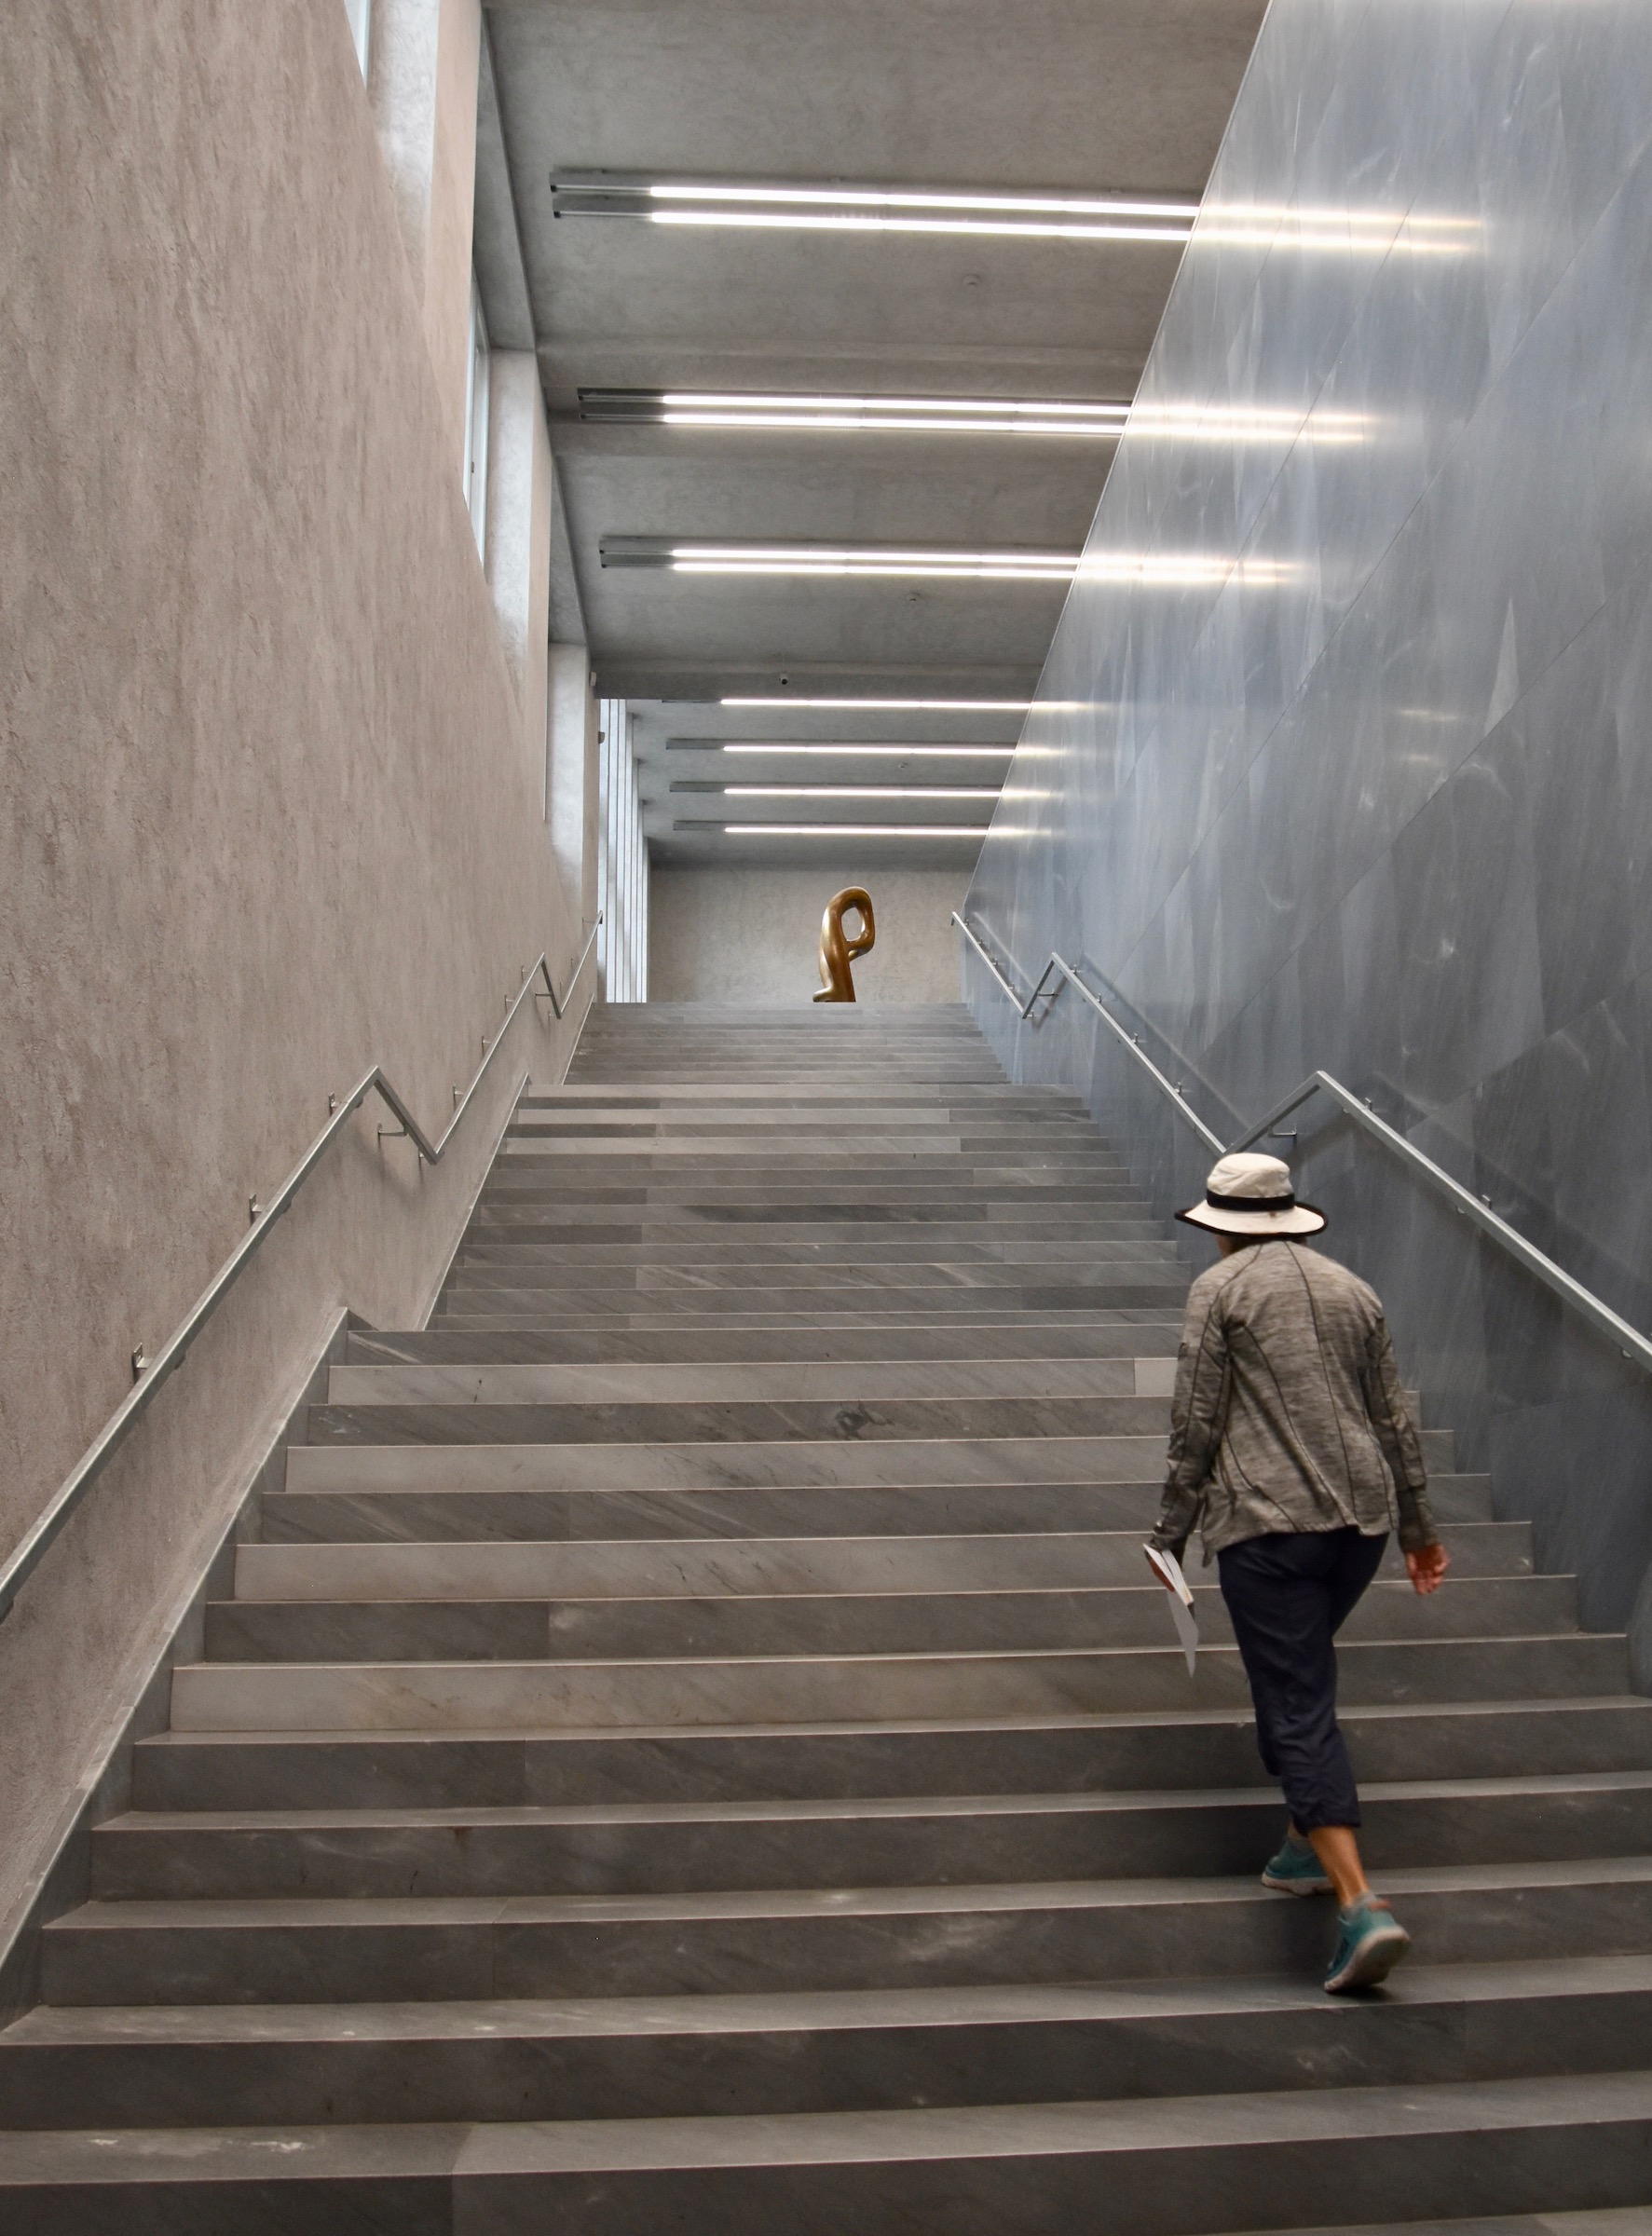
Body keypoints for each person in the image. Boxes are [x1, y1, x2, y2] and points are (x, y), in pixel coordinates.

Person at [1148, 1151, 1450, 1993]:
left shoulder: (1220, 1292)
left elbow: (1196, 1418)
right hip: (1359, 1528)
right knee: (1299, 1679)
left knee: (1293, 1701)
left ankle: (1361, 1905)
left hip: (1268, 1529)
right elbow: (1395, 1417)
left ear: (1221, 1228)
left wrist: (1168, 1532)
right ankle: (1297, 1848)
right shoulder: (1354, 1289)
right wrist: (1419, 1529)